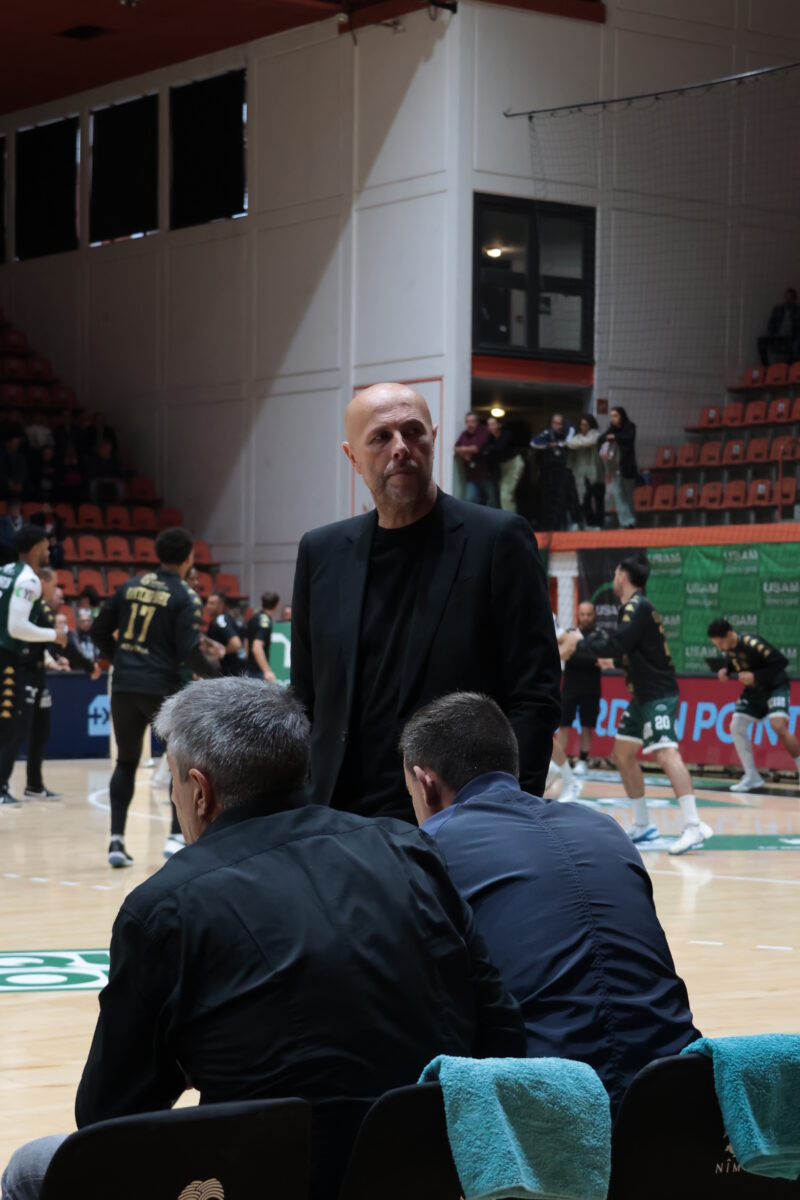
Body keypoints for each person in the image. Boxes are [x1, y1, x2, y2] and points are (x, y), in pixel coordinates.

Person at [1, 678, 524, 1200]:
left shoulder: (164, 908)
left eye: (174, 784)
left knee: (30, 1168)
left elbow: (107, 1121)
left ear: (200, 791)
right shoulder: (409, 849)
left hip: (261, 1180)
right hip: (423, 1175)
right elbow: (501, 1028)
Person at [400, 691, 701, 1117]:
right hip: (679, 1094)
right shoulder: (606, 828)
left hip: (555, 1110)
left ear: (425, 783)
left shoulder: (430, 846)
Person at [291, 382, 560, 823]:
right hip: (337, 822)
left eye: (413, 432)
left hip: (457, 822)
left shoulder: (497, 541)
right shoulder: (320, 552)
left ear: (433, 438)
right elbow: (305, 700)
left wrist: (506, 816)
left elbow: (536, 695)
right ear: (352, 457)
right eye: (380, 437)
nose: (400, 448)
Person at [91, 527, 218, 867]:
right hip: (159, 689)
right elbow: (188, 650)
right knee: (180, 764)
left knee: (127, 761)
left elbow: (97, 629)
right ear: (189, 557)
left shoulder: (130, 586)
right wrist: (219, 680)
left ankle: (116, 841)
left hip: (123, 686)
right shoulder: (184, 596)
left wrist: (119, 658)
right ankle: (176, 836)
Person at [582, 555, 712, 856]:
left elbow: (620, 643)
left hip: (658, 694)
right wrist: (611, 659)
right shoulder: (635, 608)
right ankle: (642, 824)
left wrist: (581, 645)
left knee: (667, 753)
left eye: (615, 572)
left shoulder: (636, 606)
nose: (614, 578)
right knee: (622, 754)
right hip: (642, 695)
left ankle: (694, 826)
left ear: (623, 577)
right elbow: (634, 651)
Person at [1, 568, 99, 801]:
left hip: (38, 675)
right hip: (21, 673)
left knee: (41, 729)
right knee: (15, 731)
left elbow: (58, 644)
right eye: (56, 588)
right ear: (43, 582)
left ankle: (35, 785)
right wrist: (88, 666)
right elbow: (61, 645)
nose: (61, 596)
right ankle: (1, 785)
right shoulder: (35, 606)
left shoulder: (41, 609)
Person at [0, 526, 68, 804]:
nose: (49, 550)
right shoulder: (29, 580)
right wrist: (55, 635)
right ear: (34, 547)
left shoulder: (4, 571)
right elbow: (16, 628)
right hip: (7, 659)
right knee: (9, 726)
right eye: (45, 545)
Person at [707, 618, 800, 792]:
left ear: (729, 634)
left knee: (778, 726)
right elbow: (734, 664)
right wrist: (726, 671)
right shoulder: (729, 650)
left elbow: (781, 662)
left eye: (720, 643)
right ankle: (752, 776)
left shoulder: (752, 643)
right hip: (754, 692)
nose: (720, 648)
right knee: (736, 725)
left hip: (775, 686)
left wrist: (755, 676)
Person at [556, 601, 602, 778]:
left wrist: (578, 651)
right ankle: (559, 762)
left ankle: (583, 760)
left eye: (589, 614)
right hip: (570, 686)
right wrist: (586, 653)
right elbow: (565, 654)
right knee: (563, 724)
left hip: (591, 687)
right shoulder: (569, 633)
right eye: (582, 614)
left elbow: (598, 657)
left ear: (594, 615)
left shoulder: (600, 634)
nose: (585, 618)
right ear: (578, 614)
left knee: (587, 725)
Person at [530, 413, 581, 531]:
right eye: (556, 423)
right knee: (547, 502)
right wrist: (549, 445)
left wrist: (559, 444)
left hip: (563, 476)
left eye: (560, 423)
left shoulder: (567, 436)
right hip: (547, 476)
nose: (558, 426)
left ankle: (566, 524)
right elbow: (534, 443)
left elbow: (572, 429)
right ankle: (548, 526)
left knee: (565, 500)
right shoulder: (546, 435)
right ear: (552, 424)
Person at [598, 407, 637, 529]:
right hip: (615, 469)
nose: (613, 418)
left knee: (628, 495)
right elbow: (600, 439)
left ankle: (631, 522)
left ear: (621, 416)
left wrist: (615, 437)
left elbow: (629, 438)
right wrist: (609, 437)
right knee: (618, 495)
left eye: (615, 416)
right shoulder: (611, 429)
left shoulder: (630, 427)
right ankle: (626, 522)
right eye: (611, 416)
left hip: (628, 468)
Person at [566, 414, 605, 530]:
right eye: (581, 424)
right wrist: (578, 443)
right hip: (581, 474)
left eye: (585, 425)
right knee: (585, 499)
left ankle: (599, 523)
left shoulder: (596, 435)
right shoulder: (577, 437)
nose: (583, 427)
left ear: (590, 425)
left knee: (598, 499)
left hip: (596, 473)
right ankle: (590, 523)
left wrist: (579, 443)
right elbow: (570, 444)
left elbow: (590, 442)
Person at [453, 412, 499, 507]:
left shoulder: (484, 431)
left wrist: (464, 450)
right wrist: (464, 454)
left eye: (472, 422)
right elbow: (456, 448)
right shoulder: (464, 434)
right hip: (472, 476)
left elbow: (477, 448)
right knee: (470, 501)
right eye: (467, 422)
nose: (469, 424)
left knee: (492, 503)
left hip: (487, 475)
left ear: (477, 422)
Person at [485, 415, 525, 513]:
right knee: (506, 495)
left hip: (514, 464)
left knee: (505, 494)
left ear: (499, 425)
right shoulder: (490, 438)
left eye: (493, 424)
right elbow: (483, 449)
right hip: (503, 467)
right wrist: (490, 450)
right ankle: (513, 519)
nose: (490, 427)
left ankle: (510, 523)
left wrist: (491, 449)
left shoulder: (506, 434)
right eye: (489, 424)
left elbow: (500, 447)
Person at [757, 288, 800, 368]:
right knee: (761, 341)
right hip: (777, 337)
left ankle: (791, 368)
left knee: (796, 345)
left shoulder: (797, 311)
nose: (788, 301)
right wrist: (772, 333)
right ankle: (766, 366)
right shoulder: (778, 310)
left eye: (790, 298)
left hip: (791, 338)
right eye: (787, 298)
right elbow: (770, 324)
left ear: (794, 299)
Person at [205, 593, 245, 676]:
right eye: (208, 603)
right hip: (224, 672)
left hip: (230, 673)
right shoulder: (214, 622)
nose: (208, 606)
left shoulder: (221, 620)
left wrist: (220, 651)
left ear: (221, 605)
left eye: (212, 603)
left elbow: (236, 644)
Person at [245, 591, 279, 681]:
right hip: (258, 673)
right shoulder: (265, 622)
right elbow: (257, 647)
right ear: (277, 605)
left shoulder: (253, 618)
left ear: (262, 603)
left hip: (250, 670)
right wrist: (267, 672)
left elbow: (246, 643)